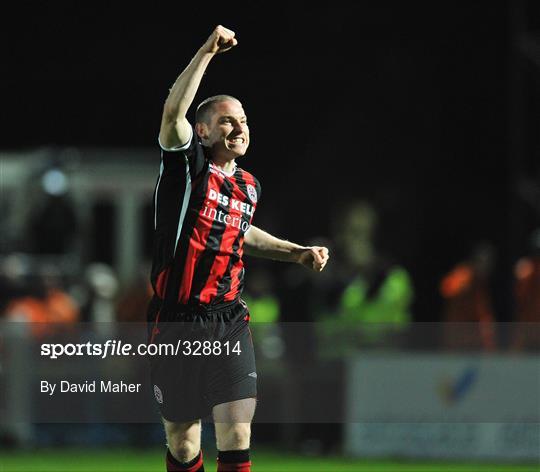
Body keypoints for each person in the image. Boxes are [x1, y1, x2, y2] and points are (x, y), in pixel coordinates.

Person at [147, 25, 329, 472]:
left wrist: (297, 251)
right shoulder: (187, 169)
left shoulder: (248, 185)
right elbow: (173, 113)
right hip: (178, 318)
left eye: (244, 120)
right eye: (228, 120)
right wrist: (207, 51)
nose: (239, 127)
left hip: (228, 317)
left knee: (236, 432)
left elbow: (242, 232)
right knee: (185, 442)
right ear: (204, 131)